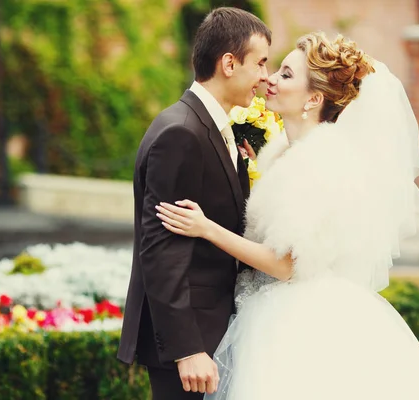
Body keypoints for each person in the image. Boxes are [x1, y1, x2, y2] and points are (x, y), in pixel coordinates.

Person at [155, 32, 419, 399]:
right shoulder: (286, 151)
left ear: (313, 98)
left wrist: (207, 229)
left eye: (285, 74)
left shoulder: (318, 163)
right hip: (265, 309)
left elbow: (285, 264)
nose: (269, 79)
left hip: (293, 321)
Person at [117, 7, 271, 400]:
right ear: (229, 63)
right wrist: (186, 349)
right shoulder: (181, 133)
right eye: (261, 63)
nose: (265, 77)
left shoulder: (212, 127)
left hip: (214, 330)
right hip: (191, 348)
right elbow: (160, 250)